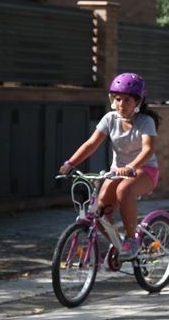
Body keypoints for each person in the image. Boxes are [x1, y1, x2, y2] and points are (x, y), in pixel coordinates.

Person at [59, 73, 161, 261]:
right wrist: (70, 163)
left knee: (124, 190)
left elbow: (148, 150)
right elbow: (91, 144)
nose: (121, 104)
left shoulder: (145, 121)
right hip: (117, 172)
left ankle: (131, 240)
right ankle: (119, 244)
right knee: (99, 214)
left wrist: (130, 166)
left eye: (127, 100)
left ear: (138, 101)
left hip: (145, 171)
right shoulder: (110, 119)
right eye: (118, 99)